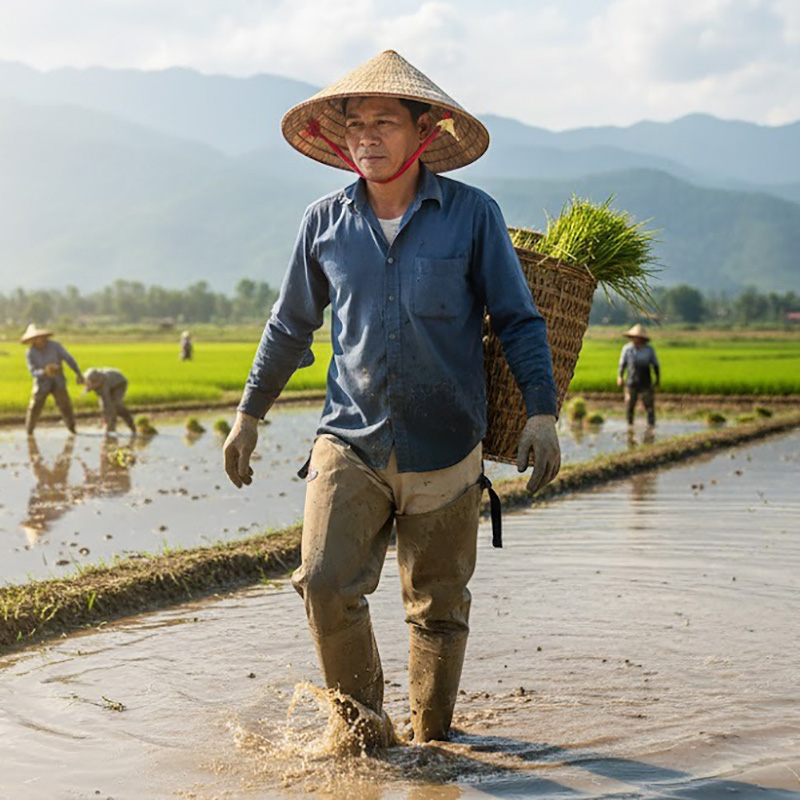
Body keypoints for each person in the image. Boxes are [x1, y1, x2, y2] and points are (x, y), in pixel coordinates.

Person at [223, 50, 561, 745]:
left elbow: (519, 319)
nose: (366, 137)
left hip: (447, 446)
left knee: (437, 608)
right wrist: (247, 415)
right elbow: (291, 325)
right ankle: (365, 731)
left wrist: (543, 413)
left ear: (424, 133)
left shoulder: (472, 217)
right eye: (355, 125)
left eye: (383, 122)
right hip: (349, 440)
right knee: (322, 583)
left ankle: (434, 745)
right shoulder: (322, 223)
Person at [20, 323, 84, 434]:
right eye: (36, 338)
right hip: (42, 383)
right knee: (35, 407)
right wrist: (44, 371)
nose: (39, 340)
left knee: (65, 406)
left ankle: (72, 429)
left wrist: (78, 373)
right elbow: (33, 371)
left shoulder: (55, 346)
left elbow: (68, 358)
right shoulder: (30, 353)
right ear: (32, 340)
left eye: (40, 337)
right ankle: (29, 431)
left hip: (58, 381)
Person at [617, 323, 660, 426]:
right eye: (634, 337)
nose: (636, 339)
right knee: (630, 405)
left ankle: (651, 426)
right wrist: (619, 376)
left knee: (649, 406)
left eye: (638, 337)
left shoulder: (649, 350)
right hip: (631, 381)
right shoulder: (627, 349)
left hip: (646, 382)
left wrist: (657, 379)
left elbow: (655, 365)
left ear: (642, 338)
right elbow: (622, 364)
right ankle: (630, 426)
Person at [83, 367, 136, 434]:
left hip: (119, 384)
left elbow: (106, 402)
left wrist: (107, 416)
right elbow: (101, 400)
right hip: (110, 385)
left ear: (97, 381)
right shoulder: (90, 379)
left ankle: (127, 425)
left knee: (115, 405)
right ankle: (109, 427)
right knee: (103, 405)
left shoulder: (104, 382)